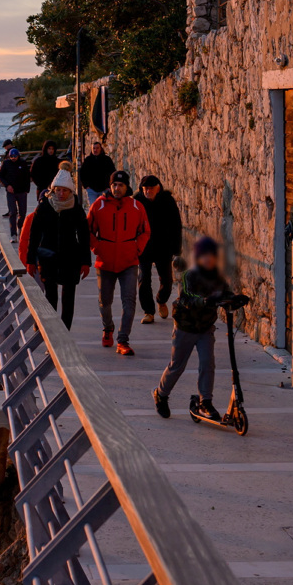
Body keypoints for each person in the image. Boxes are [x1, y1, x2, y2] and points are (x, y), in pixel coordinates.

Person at [153, 237, 238, 422]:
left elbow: (225, 293)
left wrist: (236, 299)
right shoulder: (189, 276)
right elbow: (187, 297)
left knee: (207, 363)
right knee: (177, 366)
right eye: (204, 256)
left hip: (205, 328)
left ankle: (205, 401)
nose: (208, 259)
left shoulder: (217, 278)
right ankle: (161, 394)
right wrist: (205, 301)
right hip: (186, 327)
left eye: (211, 256)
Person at [87, 170, 149, 355]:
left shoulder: (137, 206)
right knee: (104, 302)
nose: (116, 188)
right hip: (105, 262)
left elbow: (145, 231)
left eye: (120, 185)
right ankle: (108, 328)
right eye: (114, 185)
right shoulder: (99, 205)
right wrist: (97, 247)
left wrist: (137, 248)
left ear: (126, 187)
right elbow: (88, 230)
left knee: (129, 302)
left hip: (129, 261)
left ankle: (123, 340)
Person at [24, 170, 90, 329]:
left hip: (71, 258)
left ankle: (65, 331)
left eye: (65, 190)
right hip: (48, 257)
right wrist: (30, 260)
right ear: (53, 190)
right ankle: (52, 331)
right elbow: (34, 235)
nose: (61, 193)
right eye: (58, 190)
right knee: (50, 296)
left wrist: (86, 262)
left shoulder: (76, 209)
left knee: (68, 298)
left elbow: (84, 236)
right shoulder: (44, 207)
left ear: (70, 191)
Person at [135, 175, 183, 324]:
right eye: (145, 188)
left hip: (163, 246)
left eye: (151, 188)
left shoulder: (167, 200)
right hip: (144, 247)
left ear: (158, 188)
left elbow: (176, 225)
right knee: (144, 279)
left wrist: (176, 248)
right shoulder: (137, 202)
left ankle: (161, 300)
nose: (148, 191)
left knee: (167, 280)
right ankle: (148, 311)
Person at [0, 147, 32, 236]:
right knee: (12, 212)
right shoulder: (6, 163)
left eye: (15, 156)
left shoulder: (23, 163)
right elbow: (1, 176)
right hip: (11, 192)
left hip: (22, 191)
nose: (13, 158)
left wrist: (27, 190)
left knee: (22, 212)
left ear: (18, 156)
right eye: (11, 156)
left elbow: (27, 177)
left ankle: (20, 227)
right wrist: (7, 185)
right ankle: (13, 234)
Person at [78, 140, 116, 208]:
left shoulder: (107, 160)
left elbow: (113, 173)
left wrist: (109, 186)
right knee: (93, 208)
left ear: (100, 148)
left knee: (104, 208)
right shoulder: (88, 160)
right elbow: (82, 174)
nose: (95, 150)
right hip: (91, 190)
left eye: (97, 148)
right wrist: (86, 186)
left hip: (105, 189)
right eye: (94, 148)